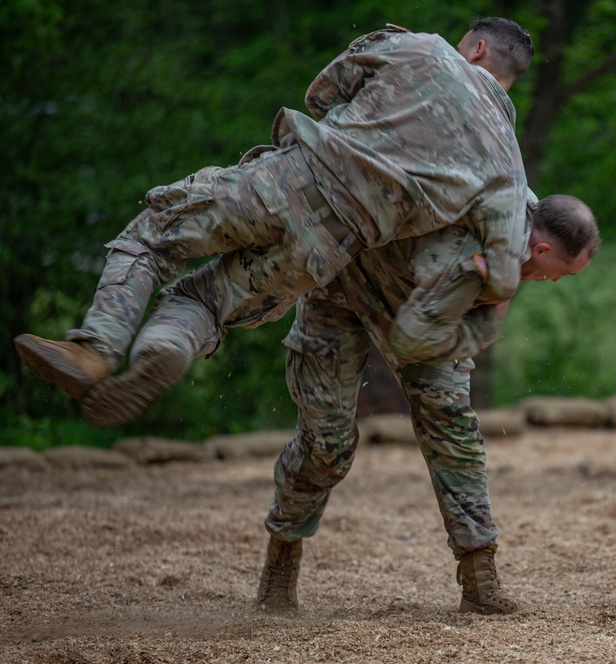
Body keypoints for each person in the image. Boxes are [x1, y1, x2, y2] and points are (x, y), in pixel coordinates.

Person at [15, 18, 534, 423]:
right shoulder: (507, 164)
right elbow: (507, 258)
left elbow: (325, 93)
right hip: (334, 247)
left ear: (477, 48)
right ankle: (166, 348)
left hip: (287, 184)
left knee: (153, 236)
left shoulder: (423, 48)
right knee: (209, 300)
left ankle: (97, 348)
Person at [254, 193, 600, 615]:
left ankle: (479, 581)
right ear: (542, 250)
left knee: (454, 430)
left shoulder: (511, 243)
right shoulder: (483, 215)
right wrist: (485, 321)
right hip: (341, 287)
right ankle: (282, 556)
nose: (556, 281)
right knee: (327, 446)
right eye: (561, 272)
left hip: (427, 312)